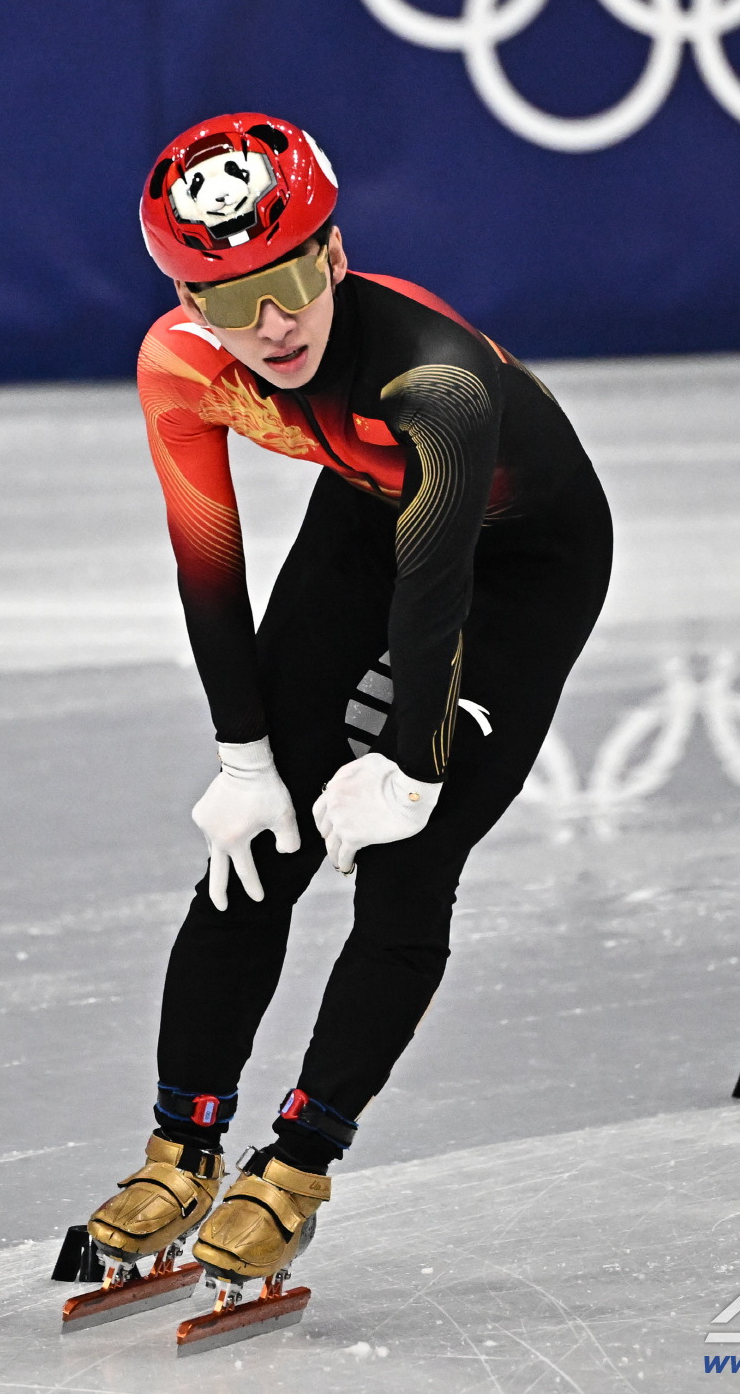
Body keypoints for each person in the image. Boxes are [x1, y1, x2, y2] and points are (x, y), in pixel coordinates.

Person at [86, 114, 612, 1286]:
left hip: (523, 563)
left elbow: (439, 590)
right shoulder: (178, 362)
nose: (267, 325)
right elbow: (209, 563)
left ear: (331, 254)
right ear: (185, 296)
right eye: (224, 296)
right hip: (371, 516)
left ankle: (301, 1157)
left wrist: (415, 760)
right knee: (254, 847)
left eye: (283, 280)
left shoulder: (438, 380)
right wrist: (243, 756)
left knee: (409, 858)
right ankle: (182, 1141)